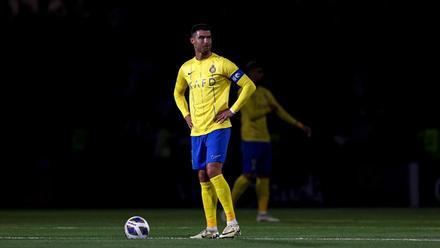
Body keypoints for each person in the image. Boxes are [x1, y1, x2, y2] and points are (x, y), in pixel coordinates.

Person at [173, 24, 256, 239]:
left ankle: (232, 223)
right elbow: (178, 93)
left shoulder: (222, 64)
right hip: (197, 130)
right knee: (202, 175)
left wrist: (232, 110)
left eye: (209, 38)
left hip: (218, 127)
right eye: (201, 38)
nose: (206, 41)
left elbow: (249, 86)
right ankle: (211, 228)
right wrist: (186, 115)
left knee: (213, 171)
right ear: (192, 40)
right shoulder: (186, 68)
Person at [230, 61, 312, 222]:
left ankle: (262, 213)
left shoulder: (265, 92)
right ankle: (228, 208)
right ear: (251, 73)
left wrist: (299, 125)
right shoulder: (243, 91)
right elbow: (252, 114)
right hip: (250, 139)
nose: (261, 74)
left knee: (264, 176)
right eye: (258, 71)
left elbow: (280, 110)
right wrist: (268, 109)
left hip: (264, 139)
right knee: (247, 174)